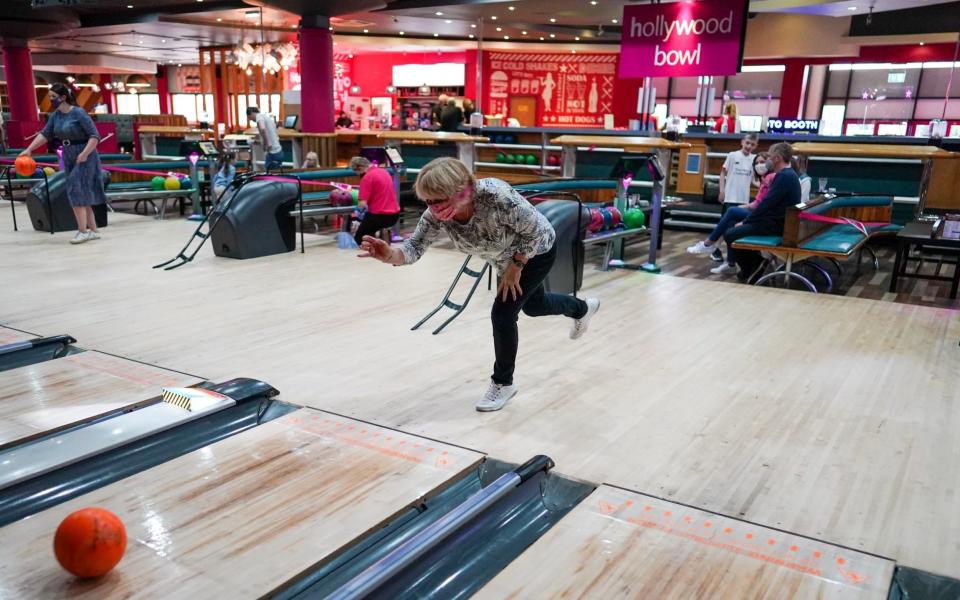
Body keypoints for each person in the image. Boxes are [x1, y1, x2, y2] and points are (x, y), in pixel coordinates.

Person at [358, 157, 600, 412]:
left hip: (536, 250)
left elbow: (537, 231)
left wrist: (516, 266)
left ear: (460, 192)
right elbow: (414, 248)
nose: (433, 208)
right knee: (534, 306)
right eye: (428, 201)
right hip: (504, 259)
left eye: (438, 201)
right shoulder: (436, 215)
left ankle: (503, 383)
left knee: (503, 314)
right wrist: (389, 255)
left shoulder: (496, 197)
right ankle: (582, 308)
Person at [19, 82, 105, 245]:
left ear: (63, 97)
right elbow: (45, 134)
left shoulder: (78, 113)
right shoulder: (55, 116)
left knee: (74, 190)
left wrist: (84, 154)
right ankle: (93, 231)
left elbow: (95, 136)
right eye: (50, 96)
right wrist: (29, 149)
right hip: (68, 154)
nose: (50, 99)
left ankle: (82, 231)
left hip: (85, 154)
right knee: (82, 193)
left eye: (53, 97)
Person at [724, 142, 802, 283]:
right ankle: (754, 265)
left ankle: (753, 266)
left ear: (777, 158)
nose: (768, 160)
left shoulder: (784, 176)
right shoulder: (789, 175)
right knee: (734, 225)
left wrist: (746, 221)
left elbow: (766, 205)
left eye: (771, 156)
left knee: (730, 234)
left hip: (775, 226)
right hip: (778, 222)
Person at [691, 153, 774, 276]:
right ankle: (730, 264)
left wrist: (744, 207)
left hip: (763, 217)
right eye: (756, 163)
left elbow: (759, 204)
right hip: (760, 213)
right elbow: (759, 202)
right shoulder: (764, 178)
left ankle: (709, 243)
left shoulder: (770, 178)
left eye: (762, 162)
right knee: (731, 223)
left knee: (732, 211)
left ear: (769, 162)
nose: (759, 165)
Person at [688, 133, 758, 261]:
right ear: (742, 142)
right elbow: (722, 173)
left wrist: (765, 185)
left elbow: (753, 179)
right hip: (730, 197)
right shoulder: (732, 155)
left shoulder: (754, 159)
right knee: (725, 225)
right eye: (747, 143)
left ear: (755, 146)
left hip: (744, 200)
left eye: (752, 144)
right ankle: (716, 249)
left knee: (732, 227)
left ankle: (718, 250)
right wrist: (722, 190)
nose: (749, 146)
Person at [349, 156, 401, 246]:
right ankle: (381, 239)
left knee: (359, 238)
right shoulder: (384, 172)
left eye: (356, 172)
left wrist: (355, 217)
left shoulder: (367, 177)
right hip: (394, 216)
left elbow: (362, 204)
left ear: (360, 168)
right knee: (368, 227)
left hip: (379, 216)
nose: (357, 175)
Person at [247, 106, 282, 171]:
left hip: (273, 152)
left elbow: (263, 128)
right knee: (275, 174)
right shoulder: (266, 117)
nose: (250, 120)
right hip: (277, 151)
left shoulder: (259, 117)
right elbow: (269, 135)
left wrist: (267, 143)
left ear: (251, 113)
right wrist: (257, 142)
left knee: (269, 175)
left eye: (250, 118)